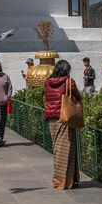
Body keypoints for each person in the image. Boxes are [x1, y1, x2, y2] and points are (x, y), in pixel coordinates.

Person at [43, 58, 83, 189]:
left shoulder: (47, 82)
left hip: (51, 119)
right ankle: (63, 180)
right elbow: (78, 96)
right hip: (64, 118)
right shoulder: (68, 82)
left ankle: (64, 179)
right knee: (66, 149)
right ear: (66, 71)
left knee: (57, 148)